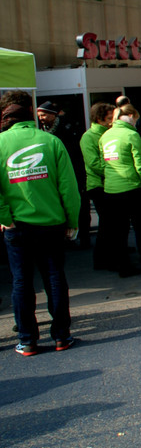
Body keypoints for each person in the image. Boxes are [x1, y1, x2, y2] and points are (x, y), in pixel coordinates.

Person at [0, 90, 81, 355]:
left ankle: (27, 341)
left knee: (21, 282)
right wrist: (72, 220)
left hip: (17, 226)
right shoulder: (51, 141)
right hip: (52, 223)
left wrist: (5, 219)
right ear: (30, 112)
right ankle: (61, 337)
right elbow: (68, 187)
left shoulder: (0, 143)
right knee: (55, 278)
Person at [101, 104, 141, 278]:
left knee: (120, 231)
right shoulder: (132, 135)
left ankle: (124, 267)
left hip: (111, 189)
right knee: (140, 229)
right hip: (131, 187)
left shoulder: (105, 136)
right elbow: (139, 164)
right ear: (132, 118)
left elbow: (104, 163)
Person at [38, 101, 90, 247]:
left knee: (80, 205)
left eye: (44, 115)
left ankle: (84, 236)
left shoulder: (67, 128)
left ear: (53, 115)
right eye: (40, 115)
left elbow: (75, 153)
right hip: (57, 174)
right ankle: (67, 237)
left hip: (74, 171)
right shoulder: (44, 130)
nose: (41, 118)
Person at [80, 102, 116, 270]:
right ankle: (102, 258)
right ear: (100, 119)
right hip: (98, 185)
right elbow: (93, 163)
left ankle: (110, 254)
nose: (112, 121)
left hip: (110, 182)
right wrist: (115, 171)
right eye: (109, 119)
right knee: (107, 222)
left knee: (111, 222)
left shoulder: (110, 133)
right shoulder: (89, 137)